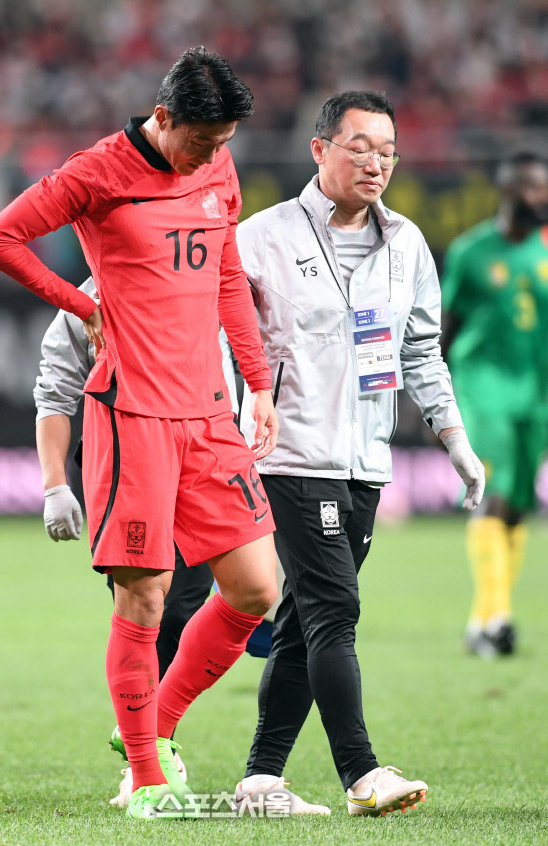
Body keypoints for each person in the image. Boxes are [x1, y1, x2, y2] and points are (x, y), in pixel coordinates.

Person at [0, 47, 279, 821]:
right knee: (143, 599)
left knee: (255, 589)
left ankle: (151, 727)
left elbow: (224, 279)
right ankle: (146, 776)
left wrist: (258, 385)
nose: (215, 155)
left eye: (225, 142)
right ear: (164, 117)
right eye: (203, 140)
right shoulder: (96, 172)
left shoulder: (218, 169)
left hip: (209, 414)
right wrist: (82, 307)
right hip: (131, 414)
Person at [232, 90, 485, 817]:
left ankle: (259, 778)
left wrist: (454, 439)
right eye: (360, 147)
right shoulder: (261, 237)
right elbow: (216, 332)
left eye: (387, 151)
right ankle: (361, 773)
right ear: (320, 150)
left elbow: (418, 350)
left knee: (303, 621)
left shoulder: (404, 242)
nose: (376, 163)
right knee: (334, 608)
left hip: (365, 460)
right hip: (291, 454)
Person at [33, 275, 273, 808]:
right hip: (128, 450)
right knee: (156, 603)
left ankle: (146, 733)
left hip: (209, 450)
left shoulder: (207, 270)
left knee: (247, 591)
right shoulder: (91, 297)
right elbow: (54, 390)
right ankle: (151, 762)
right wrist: (55, 485)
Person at [441, 152, 548, 658]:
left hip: (537, 393)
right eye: (533, 189)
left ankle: (483, 622)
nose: (542, 197)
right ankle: (498, 618)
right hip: (484, 386)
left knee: (519, 505)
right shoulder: (471, 252)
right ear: (507, 192)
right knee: (495, 495)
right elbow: (446, 327)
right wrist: (433, 397)